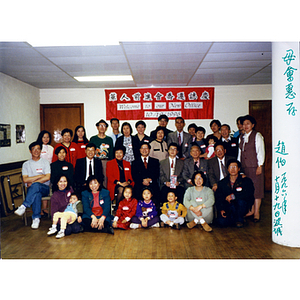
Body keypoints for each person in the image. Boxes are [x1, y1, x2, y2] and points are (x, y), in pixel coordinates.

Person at [14, 141, 50, 229]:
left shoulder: (45, 162)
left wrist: (34, 182)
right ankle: (36, 218)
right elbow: (25, 179)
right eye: (34, 149)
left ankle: (24, 205)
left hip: (44, 188)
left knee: (36, 186)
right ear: (30, 151)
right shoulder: (26, 164)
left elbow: (47, 177)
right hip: (32, 190)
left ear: (41, 150)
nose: (36, 151)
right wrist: (40, 176)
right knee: (36, 194)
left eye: (38, 149)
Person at [238, 115, 265, 222]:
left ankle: (257, 212)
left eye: (248, 123)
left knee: (257, 189)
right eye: (244, 124)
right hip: (245, 167)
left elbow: (260, 151)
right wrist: (239, 167)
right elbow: (239, 153)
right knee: (248, 190)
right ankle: (251, 210)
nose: (245, 126)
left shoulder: (257, 136)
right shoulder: (241, 137)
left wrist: (260, 165)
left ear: (253, 125)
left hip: (255, 167)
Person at [215, 159, 255, 228]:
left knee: (241, 202)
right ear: (227, 169)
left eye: (235, 167)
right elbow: (219, 197)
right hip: (228, 207)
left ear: (239, 169)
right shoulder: (222, 183)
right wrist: (221, 209)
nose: (233, 169)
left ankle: (239, 219)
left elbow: (248, 193)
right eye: (231, 167)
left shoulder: (246, 181)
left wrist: (234, 196)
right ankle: (235, 219)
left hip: (240, 205)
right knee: (221, 222)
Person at [131, 142, 160, 209]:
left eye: (146, 148)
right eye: (142, 148)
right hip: (140, 184)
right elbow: (134, 175)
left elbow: (157, 173)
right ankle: (139, 212)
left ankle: (155, 212)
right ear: (140, 150)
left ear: (149, 150)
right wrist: (142, 180)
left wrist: (150, 180)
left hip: (152, 183)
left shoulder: (155, 161)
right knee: (137, 191)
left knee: (156, 191)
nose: (144, 150)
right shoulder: (135, 162)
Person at [106, 144, 134, 209]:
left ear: (123, 154)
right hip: (115, 184)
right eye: (117, 152)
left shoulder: (127, 163)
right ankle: (118, 207)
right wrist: (119, 183)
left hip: (126, 184)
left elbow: (130, 176)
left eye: (120, 152)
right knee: (121, 190)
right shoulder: (110, 163)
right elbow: (109, 176)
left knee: (130, 189)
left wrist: (128, 182)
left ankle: (129, 207)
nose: (119, 154)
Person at [89, 119, 113, 188]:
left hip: (106, 161)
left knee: (105, 178)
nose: (102, 127)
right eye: (100, 125)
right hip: (96, 160)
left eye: (104, 126)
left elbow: (111, 152)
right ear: (97, 127)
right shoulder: (93, 139)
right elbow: (90, 151)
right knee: (96, 177)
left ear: (106, 128)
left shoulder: (109, 139)